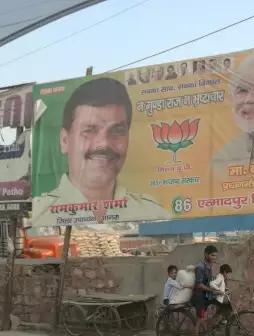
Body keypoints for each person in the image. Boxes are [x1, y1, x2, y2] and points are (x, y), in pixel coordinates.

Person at [32, 77, 170, 226]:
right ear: (65, 141)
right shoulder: (35, 216)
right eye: (89, 130)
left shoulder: (154, 215)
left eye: (117, 131)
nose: (104, 143)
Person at [187, 245, 221, 336]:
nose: (214, 258)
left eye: (215, 256)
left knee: (219, 304)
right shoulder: (200, 267)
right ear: (206, 254)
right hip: (199, 297)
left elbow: (208, 282)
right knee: (198, 322)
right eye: (212, 255)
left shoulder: (209, 266)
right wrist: (212, 290)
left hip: (205, 295)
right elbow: (199, 285)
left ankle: (207, 329)